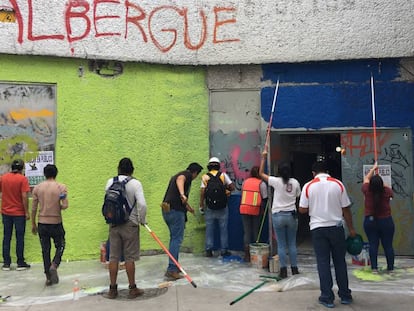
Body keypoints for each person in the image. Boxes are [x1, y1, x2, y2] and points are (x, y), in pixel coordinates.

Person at [299, 160, 356, 308]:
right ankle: (345, 296)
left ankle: (327, 297)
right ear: (328, 171)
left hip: (318, 229)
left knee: (323, 263)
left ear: (314, 173)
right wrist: (351, 229)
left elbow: (302, 209)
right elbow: (346, 209)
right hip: (336, 228)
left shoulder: (308, 186)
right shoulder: (338, 184)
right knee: (340, 262)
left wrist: (315, 205)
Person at [103, 158, 147, 299]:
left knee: (113, 257)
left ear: (118, 168)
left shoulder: (110, 182)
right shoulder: (135, 183)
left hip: (114, 224)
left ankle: (112, 289)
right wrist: (142, 219)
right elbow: (142, 205)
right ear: (132, 170)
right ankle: (132, 288)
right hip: (130, 224)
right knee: (129, 257)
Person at [259, 152, 301, 278]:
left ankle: (283, 270)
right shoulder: (295, 182)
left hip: (278, 216)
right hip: (291, 215)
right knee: (292, 244)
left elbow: (260, 174)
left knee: (281, 244)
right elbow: (298, 196)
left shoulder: (276, 181)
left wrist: (264, 158)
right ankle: (294, 269)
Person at [161, 162, 203, 280]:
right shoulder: (186, 175)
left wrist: (189, 208)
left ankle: (173, 265)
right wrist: (182, 194)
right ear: (194, 172)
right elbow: (181, 179)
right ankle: (172, 269)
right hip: (175, 212)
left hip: (167, 210)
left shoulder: (177, 175)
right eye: (197, 175)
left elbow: (180, 199)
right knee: (176, 239)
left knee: (174, 239)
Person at [31, 164, 68, 285]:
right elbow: (65, 205)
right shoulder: (61, 187)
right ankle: (54, 264)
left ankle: (48, 277)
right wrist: (59, 206)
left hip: (42, 223)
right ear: (56, 174)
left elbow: (34, 208)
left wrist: (33, 224)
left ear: (44, 174)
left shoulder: (37, 188)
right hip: (56, 222)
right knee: (61, 244)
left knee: (45, 250)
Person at [362, 162, 394, 274]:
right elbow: (389, 189)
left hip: (370, 221)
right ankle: (390, 268)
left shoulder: (367, 190)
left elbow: (366, 178)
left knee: (373, 244)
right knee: (388, 245)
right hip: (386, 221)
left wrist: (373, 168)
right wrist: (382, 184)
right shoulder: (387, 191)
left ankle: (374, 268)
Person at [199, 157, 235, 257]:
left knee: (209, 229)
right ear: (219, 166)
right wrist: (226, 191)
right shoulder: (223, 175)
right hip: (222, 207)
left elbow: (202, 192)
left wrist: (201, 205)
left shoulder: (205, 177)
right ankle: (224, 250)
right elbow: (232, 187)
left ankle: (209, 250)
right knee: (223, 229)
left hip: (209, 207)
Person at [0, 159, 31, 271]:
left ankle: (6, 263)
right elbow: (24, 196)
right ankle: (20, 262)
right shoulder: (23, 179)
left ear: (11, 167)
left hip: (5, 212)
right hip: (18, 213)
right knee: (19, 238)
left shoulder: (3, 178)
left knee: (6, 237)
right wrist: (26, 211)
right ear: (22, 168)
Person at [239, 166, 268, 262]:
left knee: (247, 232)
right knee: (256, 232)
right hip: (255, 210)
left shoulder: (245, 182)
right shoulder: (262, 184)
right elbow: (264, 198)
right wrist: (263, 210)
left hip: (244, 209)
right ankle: (255, 254)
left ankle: (247, 255)